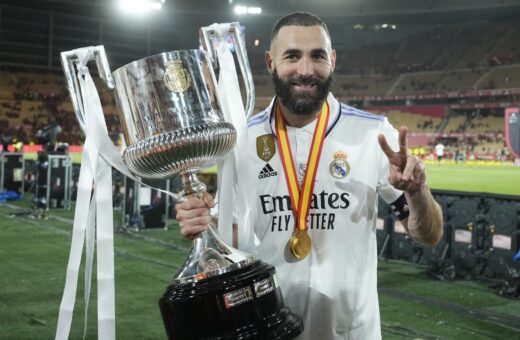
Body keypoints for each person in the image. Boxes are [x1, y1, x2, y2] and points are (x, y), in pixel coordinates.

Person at [175, 12, 443, 340]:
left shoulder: (372, 135)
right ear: (270, 62)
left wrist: (418, 194)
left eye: (317, 56)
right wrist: (205, 224)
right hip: (270, 329)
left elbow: (428, 235)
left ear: (332, 60)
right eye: (292, 56)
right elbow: (233, 240)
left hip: (351, 333)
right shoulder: (241, 142)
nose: (306, 70)